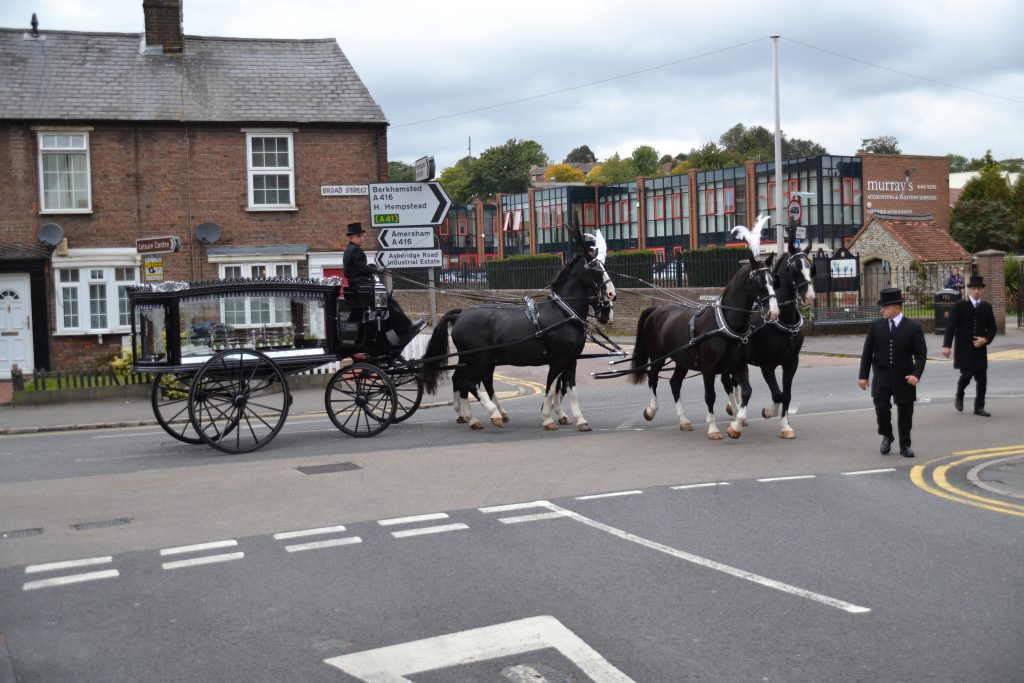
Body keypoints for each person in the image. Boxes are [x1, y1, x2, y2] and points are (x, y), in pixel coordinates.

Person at [858, 287, 928, 458]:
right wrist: (863, 375)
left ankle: (905, 445)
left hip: (904, 377)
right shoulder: (876, 326)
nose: (881, 310)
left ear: (896, 307)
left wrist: (916, 375)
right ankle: (887, 436)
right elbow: (867, 353)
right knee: (881, 409)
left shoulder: (913, 327)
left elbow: (921, 354)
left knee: (905, 414)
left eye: (884, 307)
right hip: (881, 376)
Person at [343, 222, 425, 347]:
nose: (362, 238)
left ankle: (397, 327)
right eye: (359, 236)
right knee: (388, 300)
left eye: (362, 236)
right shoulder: (355, 251)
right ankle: (404, 328)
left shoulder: (349, 251)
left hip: (359, 285)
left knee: (388, 300)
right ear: (351, 237)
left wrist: (370, 267)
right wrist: (376, 270)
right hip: (362, 286)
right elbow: (360, 270)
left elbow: (356, 269)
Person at [942, 274, 997, 416]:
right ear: (969, 290)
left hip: (980, 348)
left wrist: (985, 339)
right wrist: (947, 345)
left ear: (982, 290)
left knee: (982, 380)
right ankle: (959, 395)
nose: (976, 291)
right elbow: (951, 326)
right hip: (964, 347)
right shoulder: (960, 305)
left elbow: (992, 328)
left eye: (979, 288)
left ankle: (979, 407)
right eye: (974, 288)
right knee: (966, 375)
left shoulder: (986, 307)